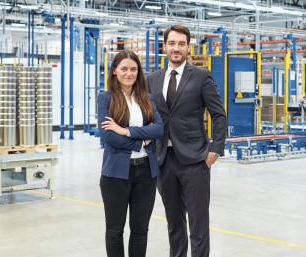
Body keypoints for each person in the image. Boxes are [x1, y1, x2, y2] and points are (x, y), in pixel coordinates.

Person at [147, 25, 227, 257]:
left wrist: (215, 150)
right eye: (172, 43)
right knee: (174, 223)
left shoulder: (201, 77)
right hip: (164, 160)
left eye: (181, 44)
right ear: (164, 47)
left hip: (195, 160)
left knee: (198, 224)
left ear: (188, 47)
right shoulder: (152, 79)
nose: (176, 48)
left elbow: (219, 115)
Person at [97, 50, 163, 257]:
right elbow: (108, 136)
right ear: (115, 70)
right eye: (124, 68)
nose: (129, 73)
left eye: (133, 69)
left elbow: (159, 129)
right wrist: (141, 141)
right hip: (116, 174)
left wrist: (126, 131)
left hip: (146, 172)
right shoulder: (105, 98)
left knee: (140, 231)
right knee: (115, 231)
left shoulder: (146, 98)